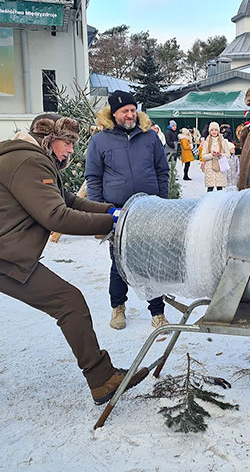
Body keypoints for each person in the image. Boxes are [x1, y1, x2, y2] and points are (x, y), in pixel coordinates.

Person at [0, 113, 148, 405]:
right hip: (6, 256)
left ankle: (101, 378)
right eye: (66, 142)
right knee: (69, 302)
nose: (71, 150)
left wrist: (112, 211)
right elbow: (56, 216)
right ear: (48, 139)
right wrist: (112, 225)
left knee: (68, 301)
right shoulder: (30, 162)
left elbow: (68, 199)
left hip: (7, 251)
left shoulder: (29, 158)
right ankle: (102, 379)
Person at [85, 90, 170, 331]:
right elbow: (93, 178)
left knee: (149, 261)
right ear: (113, 114)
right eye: (125, 111)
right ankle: (118, 308)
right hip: (117, 213)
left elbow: (162, 171)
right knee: (119, 262)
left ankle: (157, 312)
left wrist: (161, 201)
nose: (130, 114)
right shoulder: (100, 141)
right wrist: (101, 211)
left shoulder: (149, 137)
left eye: (133, 110)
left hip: (149, 209)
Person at [202, 121, 231, 192]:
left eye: (215, 130)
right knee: (210, 189)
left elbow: (228, 155)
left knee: (219, 189)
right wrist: (211, 155)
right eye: (212, 130)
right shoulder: (206, 142)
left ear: (218, 131)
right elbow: (203, 156)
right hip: (210, 168)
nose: (214, 132)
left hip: (220, 167)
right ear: (209, 131)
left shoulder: (224, 142)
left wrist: (221, 154)